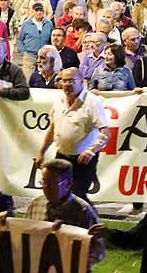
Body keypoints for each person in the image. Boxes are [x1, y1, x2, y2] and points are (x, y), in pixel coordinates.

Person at [36, 68, 110, 202]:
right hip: (62, 157)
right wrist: (42, 152)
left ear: (81, 82)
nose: (67, 84)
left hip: (83, 159)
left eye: (71, 81)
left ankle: (90, 220)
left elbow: (105, 132)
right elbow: (52, 129)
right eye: (64, 81)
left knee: (77, 195)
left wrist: (91, 151)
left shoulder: (93, 102)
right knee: (59, 194)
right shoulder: (59, 101)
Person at [16, 2, 54, 74]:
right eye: (37, 10)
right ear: (33, 12)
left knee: (44, 79)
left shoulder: (49, 24)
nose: (39, 12)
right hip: (30, 56)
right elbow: (20, 39)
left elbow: (51, 38)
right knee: (28, 78)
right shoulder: (26, 24)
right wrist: (23, 52)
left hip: (45, 57)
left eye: (41, 10)